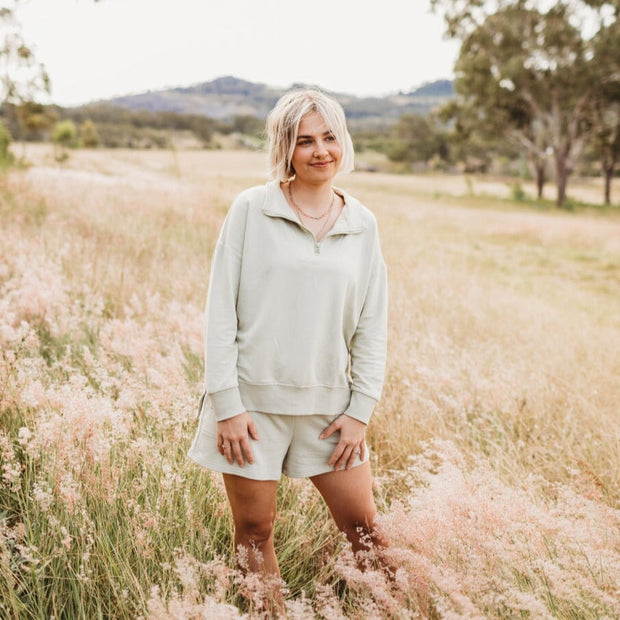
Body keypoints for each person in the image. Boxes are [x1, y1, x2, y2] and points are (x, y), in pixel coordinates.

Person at [188, 88, 389, 612]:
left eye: (328, 137)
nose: (320, 150)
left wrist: (360, 411)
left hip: (331, 413)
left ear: (342, 141)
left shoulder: (362, 224)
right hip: (251, 412)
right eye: (305, 141)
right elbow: (219, 313)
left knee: (366, 533)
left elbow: (372, 325)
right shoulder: (252, 209)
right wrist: (226, 407)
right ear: (286, 147)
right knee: (254, 534)